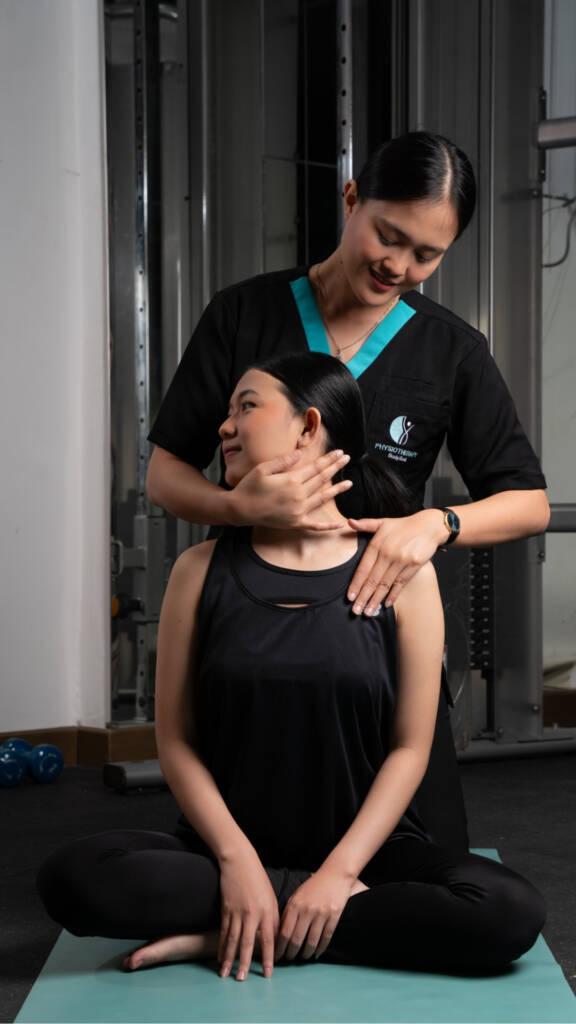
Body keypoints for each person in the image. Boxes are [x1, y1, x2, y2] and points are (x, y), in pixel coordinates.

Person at [37, 353, 545, 982]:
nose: (224, 426)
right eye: (228, 410)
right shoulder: (198, 571)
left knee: (509, 911)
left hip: (366, 861)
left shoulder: (403, 575)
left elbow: (410, 750)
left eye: (246, 407)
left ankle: (235, 932)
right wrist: (237, 862)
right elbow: (177, 742)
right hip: (224, 854)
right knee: (72, 879)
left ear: (308, 427)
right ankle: (298, 918)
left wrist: (338, 875)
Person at [145, 131, 550, 853]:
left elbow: (529, 502)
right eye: (389, 236)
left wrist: (435, 524)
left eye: (427, 254)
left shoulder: (451, 350)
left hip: (375, 623)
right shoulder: (243, 314)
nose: (399, 266)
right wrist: (236, 507)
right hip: (252, 619)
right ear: (352, 198)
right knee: (240, 845)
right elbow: (166, 473)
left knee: (429, 863)